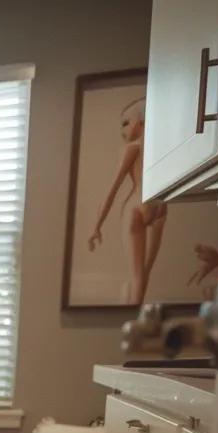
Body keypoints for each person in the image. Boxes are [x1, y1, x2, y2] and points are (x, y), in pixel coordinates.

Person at [88, 97, 167, 305]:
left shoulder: (132, 148)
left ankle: (130, 313)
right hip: (160, 207)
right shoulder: (163, 148)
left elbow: (112, 190)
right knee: (144, 273)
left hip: (138, 206)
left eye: (126, 122)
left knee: (137, 275)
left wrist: (97, 226)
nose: (122, 130)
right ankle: (135, 310)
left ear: (141, 122)